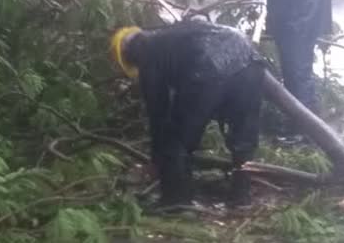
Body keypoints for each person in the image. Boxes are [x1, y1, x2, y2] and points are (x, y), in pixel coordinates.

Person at [110, 20, 265, 207]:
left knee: (174, 138)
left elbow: (158, 113)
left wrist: (158, 158)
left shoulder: (149, 56)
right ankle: (241, 196)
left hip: (207, 67)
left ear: (129, 56)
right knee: (244, 136)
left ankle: (177, 201)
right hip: (250, 59)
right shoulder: (172, 35)